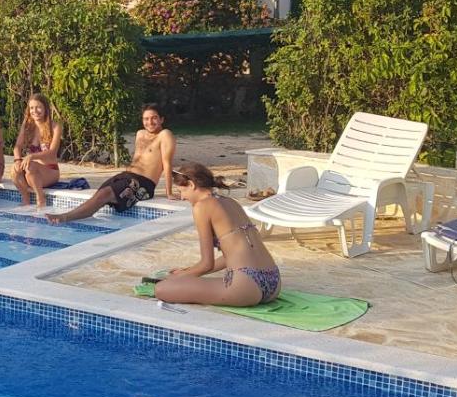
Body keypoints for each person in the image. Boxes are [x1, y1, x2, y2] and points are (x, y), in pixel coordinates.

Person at [154, 162, 282, 306]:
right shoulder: (231, 202)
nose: (182, 197)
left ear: (191, 185)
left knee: (162, 288)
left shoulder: (202, 206)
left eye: (181, 191)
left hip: (245, 286)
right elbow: (234, 254)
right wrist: (188, 271)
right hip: (273, 282)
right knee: (184, 280)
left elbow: (206, 264)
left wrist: (179, 277)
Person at [47, 103, 175, 224]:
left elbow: (167, 164)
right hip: (127, 176)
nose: (150, 122)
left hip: (144, 184)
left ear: (161, 119)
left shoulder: (165, 135)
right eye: (146, 119)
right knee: (100, 193)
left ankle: (65, 217)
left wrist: (169, 192)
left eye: (154, 118)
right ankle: (77, 214)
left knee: (105, 194)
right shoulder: (140, 134)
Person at [11, 93, 62, 208]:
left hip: (50, 171)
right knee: (14, 169)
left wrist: (32, 156)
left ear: (45, 108)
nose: (35, 111)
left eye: (38, 107)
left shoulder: (55, 127)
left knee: (30, 166)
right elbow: (17, 146)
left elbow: (52, 153)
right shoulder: (27, 126)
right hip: (31, 171)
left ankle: (41, 199)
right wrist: (17, 160)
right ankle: (26, 199)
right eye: (32, 108)